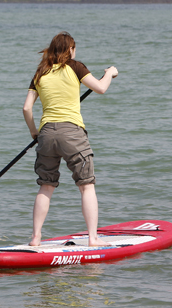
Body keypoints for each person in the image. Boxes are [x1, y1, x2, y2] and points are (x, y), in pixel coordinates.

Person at [23, 31, 118, 247]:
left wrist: (34, 133)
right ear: (70, 50)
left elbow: (27, 108)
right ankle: (93, 238)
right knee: (86, 186)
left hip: (46, 134)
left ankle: (36, 238)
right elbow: (101, 88)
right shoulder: (75, 66)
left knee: (46, 186)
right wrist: (110, 73)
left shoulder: (40, 72)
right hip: (72, 133)